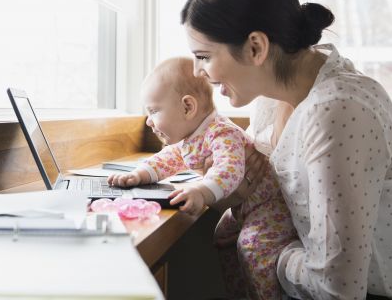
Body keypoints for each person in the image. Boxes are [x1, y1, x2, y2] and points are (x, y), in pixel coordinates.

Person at [180, 0, 392, 299]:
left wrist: (276, 251)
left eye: (204, 56)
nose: (199, 72)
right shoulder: (271, 102)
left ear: (256, 47)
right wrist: (234, 194)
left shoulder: (338, 111)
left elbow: (337, 289)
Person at [107, 56, 297, 299]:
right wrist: (138, 174)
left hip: (269, 208)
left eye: (153, 111)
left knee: (252, 248)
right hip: (245, 207)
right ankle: (239, 291)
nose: (148, 121)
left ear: (188, 107)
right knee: (222, 236)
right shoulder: (193, 137)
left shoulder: (221, 132)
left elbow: (229, 171)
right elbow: (168, 159)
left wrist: (201, 190)